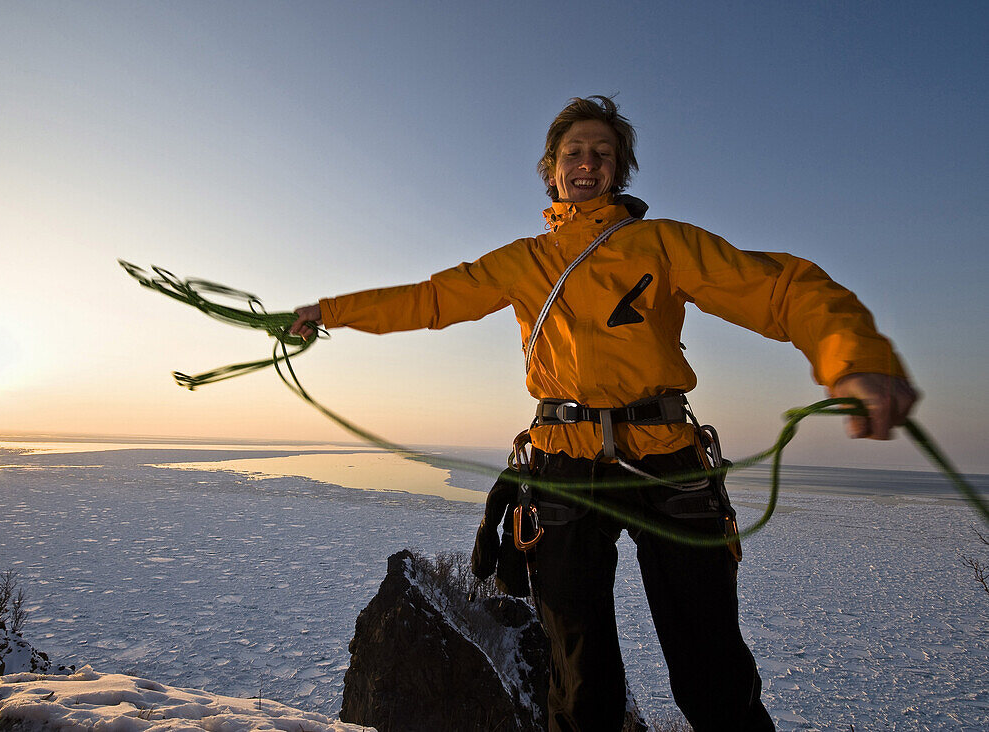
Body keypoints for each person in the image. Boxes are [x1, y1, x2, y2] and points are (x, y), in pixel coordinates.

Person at [289, 96, 917, 731]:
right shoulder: (523, 262)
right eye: (573, 154)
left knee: (714, 675)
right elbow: (427, 301)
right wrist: (329, 313)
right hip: (563, 463)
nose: (586, 164)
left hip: (667, 459)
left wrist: (856, 361)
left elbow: (782, 288)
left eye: (603, 154)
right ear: (551, 169)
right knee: (582, 683)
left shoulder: (663, 244)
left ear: (620, 170)